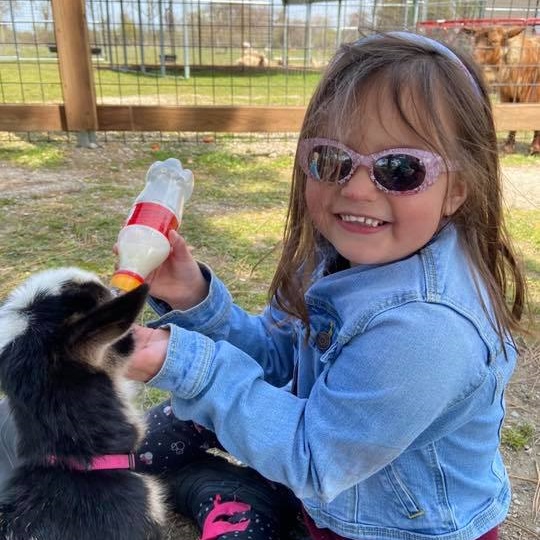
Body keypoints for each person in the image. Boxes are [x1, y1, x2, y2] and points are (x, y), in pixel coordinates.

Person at [0, 31, 528, 540]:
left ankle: (240, 501)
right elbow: (277, 363)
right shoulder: (333, 255)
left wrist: (182, 363)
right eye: (332, 160)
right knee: (146, 431)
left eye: (400, 169)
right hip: (320, 485)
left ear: (458, 187)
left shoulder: (426, 329)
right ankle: (234, 491)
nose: (359, 188)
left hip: (381, 523)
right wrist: (195, 301)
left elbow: (315, 459)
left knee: (193, 427)